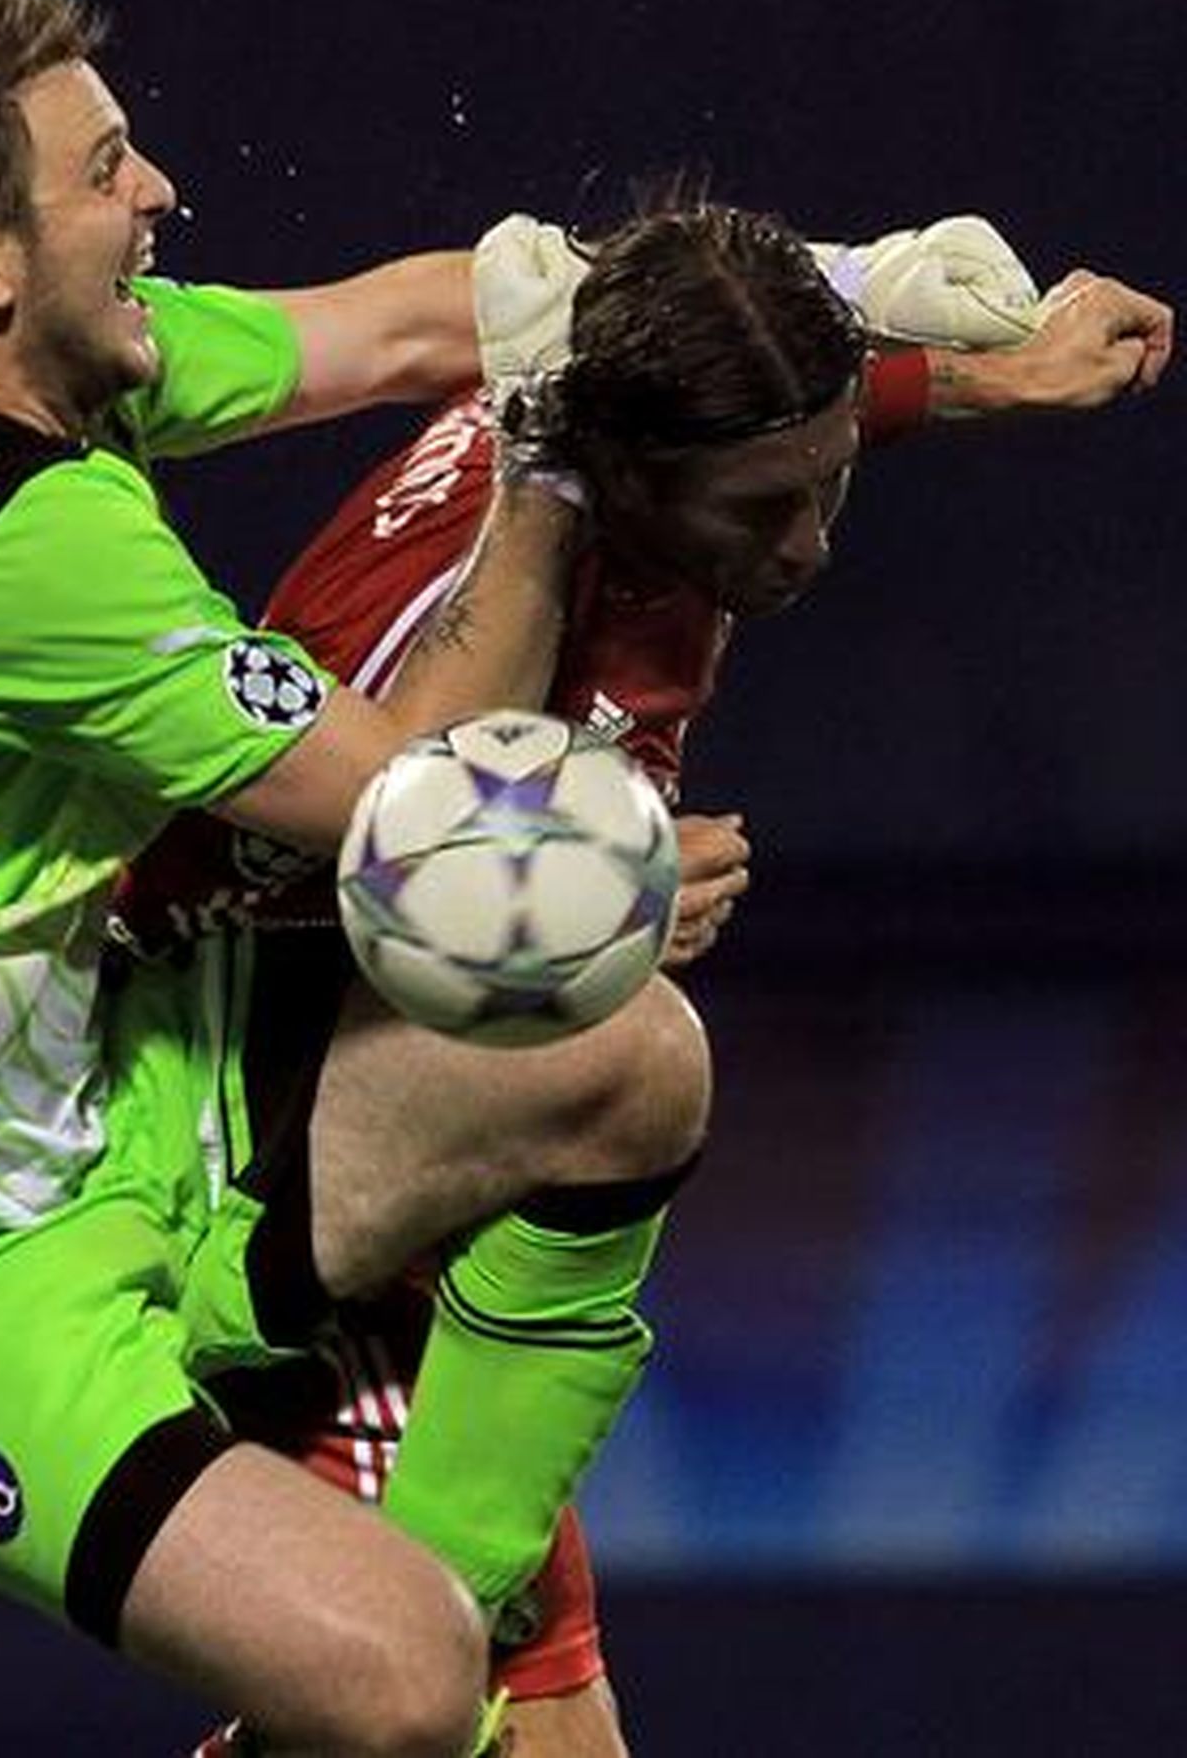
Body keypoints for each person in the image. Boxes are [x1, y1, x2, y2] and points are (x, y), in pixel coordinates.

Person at [0, 0, 741, 1758]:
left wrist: (838, 290)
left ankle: (453, 1570)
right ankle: (428, 1643)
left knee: (633, 1055)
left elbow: (394, 329)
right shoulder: (8, 553)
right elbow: (433, 803)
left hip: (93, 1099)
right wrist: (579, 809)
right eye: (109, 167)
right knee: (395, 1685)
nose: (162, 191)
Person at [109, 203, 1174, 1755]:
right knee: (417, 1699)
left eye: (825, 486)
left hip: (432, 1168)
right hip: (245, 1124)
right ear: (618, 482)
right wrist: (551, 913)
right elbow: (218, 892)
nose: (802, 544)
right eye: (764, 509)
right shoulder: (456, 621)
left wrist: (984, 376)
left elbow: (728, 343)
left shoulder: (638, 426)